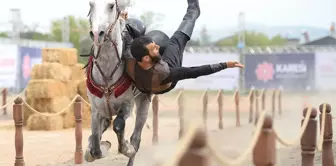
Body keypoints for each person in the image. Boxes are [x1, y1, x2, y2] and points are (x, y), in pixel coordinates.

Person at [125, 0, 244, 95]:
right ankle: (194, 9)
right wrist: (226, 65)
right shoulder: (164, 72)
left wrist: (122, 19)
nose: (158, 46)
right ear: (146, 58)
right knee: (176, 40)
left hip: (143, 85)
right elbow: (194, 71)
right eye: (154, 48)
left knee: (132, 32)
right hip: (163, 86)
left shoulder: (130, 57)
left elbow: (125, 38)